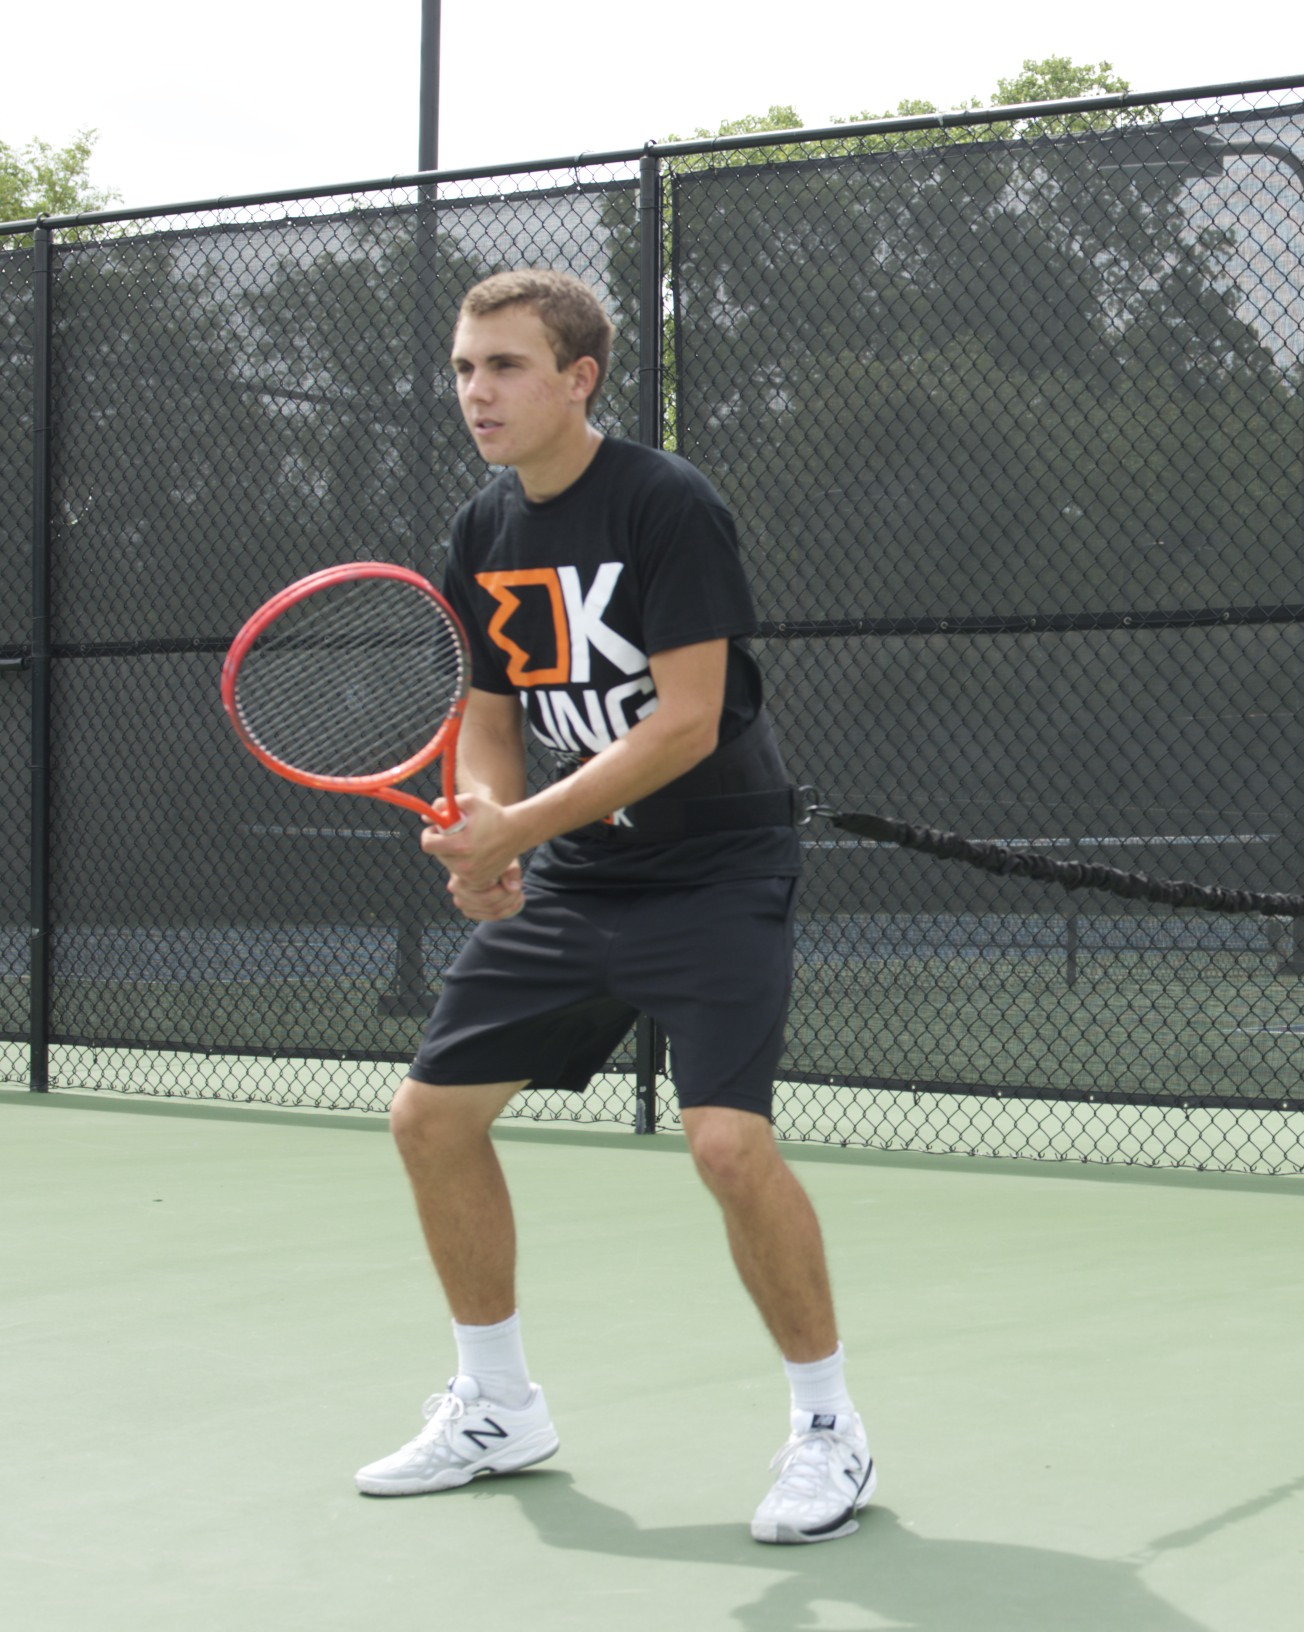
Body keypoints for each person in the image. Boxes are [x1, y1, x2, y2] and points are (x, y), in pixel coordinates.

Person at [352, 267, 871, 1546]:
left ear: (578, 379)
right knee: (429, 1119)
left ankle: (827, 1430)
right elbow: (488, 717)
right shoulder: (483, 529)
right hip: (582, 876)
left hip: (717, 869)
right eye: (464, 367)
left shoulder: (665, 503)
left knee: (728, 1146)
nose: (476, 391)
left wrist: (519, 827)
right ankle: (496, 1408)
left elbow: (685, 723)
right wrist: (487, 831)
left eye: (506, 366)